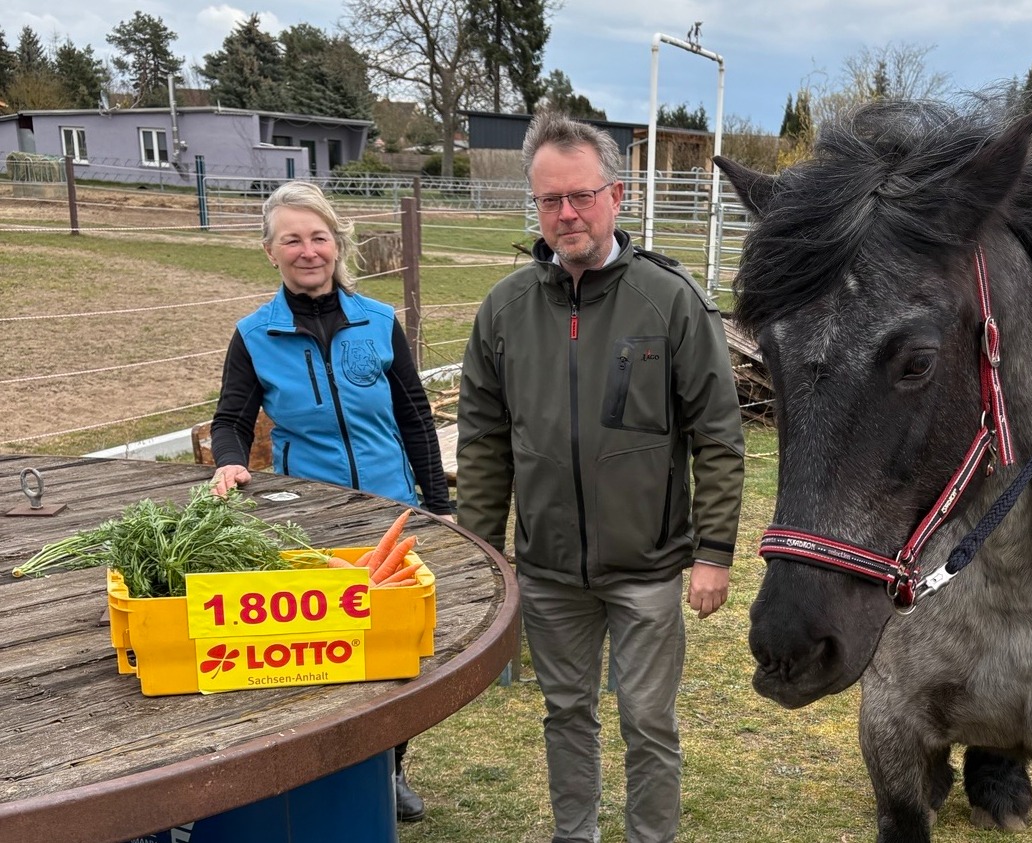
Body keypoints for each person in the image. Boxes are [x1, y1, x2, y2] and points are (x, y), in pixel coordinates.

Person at [457, 111, 745, 843]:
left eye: (581, 195)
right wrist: (482, 554)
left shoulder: (670, 300)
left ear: (616, 195)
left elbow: (716, 433)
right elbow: (484, 443)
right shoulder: (505, 311)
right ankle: (574, 833)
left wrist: (714, 551)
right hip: (549, 571)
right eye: (550, 199)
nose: (567, 214)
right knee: (565, 713)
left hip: (647, 566)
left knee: (648, 721)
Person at [209, 180, 453, 824]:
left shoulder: (378, 322)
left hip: (389, 513)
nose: (308, 251)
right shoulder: (254, 335)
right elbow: (231, 419)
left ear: (336, 244)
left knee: (397, 650)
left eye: (318, 237)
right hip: (310, 523)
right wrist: (231, 459)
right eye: (292, 239)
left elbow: (416, 419)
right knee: (325, 652)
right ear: (270, 251)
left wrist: (440, 503)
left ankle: (389, 767)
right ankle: (328, 772)